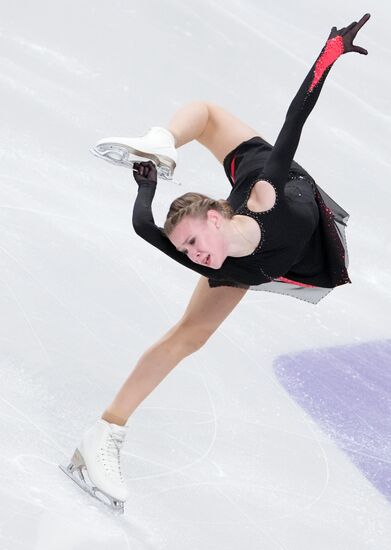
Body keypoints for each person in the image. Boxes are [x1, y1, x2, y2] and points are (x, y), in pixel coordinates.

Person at [60, 14, 370, 512]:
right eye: (184, 250)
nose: (193, 255)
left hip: (285, 192)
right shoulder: (217, 264)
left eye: (193, 240)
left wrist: (329, 53)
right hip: (252, 257)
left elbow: (296, 119)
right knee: (190, 335)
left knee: (205, 115)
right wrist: (147, 186)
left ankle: (166, 138)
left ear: (215, 215)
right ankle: (102, 435)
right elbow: (145, 227)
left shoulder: (265, 191)